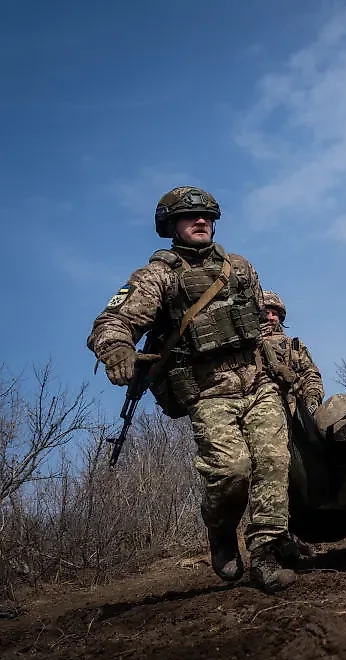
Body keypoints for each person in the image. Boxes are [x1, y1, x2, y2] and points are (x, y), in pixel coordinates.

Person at [87, 186, 297, 593]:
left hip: (257, 381)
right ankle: (220, 531)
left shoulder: (239, 267)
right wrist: (115, 348)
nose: (201, 222)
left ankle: (266, 553)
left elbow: (258, 326)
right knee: (232, 470)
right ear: (171, 226)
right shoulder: (158, 277)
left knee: (273, 461)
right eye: (189, 217)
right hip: (208, 391)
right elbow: (111, 321)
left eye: (207, 216)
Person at [260, 290, 324, 418]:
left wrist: (312, 398)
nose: (270, 317)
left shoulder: (293, 345)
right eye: (266, 313)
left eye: (275, 314)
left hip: (294, 412)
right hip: (261, 410)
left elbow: (310, 374)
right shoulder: (249, 346)